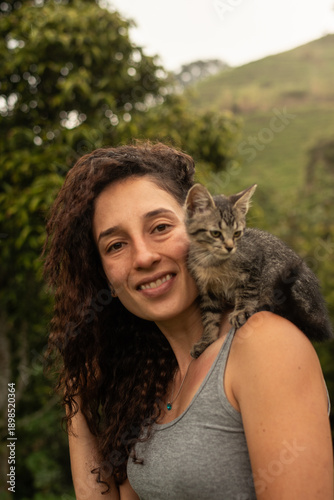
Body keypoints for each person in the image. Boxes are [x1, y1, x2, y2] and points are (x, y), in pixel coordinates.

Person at [44, 141, 333, 500]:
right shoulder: (150, 379)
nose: (145, 257)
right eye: (116, 245)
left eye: (161, 227)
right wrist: (78, 405)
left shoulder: (262, 343)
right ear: (107, 282)